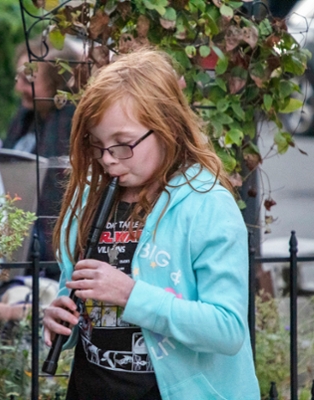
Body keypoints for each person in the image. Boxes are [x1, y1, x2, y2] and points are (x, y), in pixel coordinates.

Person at [42, 48, 260, 399]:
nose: (108, 160)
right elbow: (83, 305)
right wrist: (59, 323)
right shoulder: (88, 199)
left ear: (166, 127)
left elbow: (228, 328)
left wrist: (130, 294)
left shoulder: (207, 205)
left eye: (123, 145)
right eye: (97, 145)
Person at [5, 36, 82, 271]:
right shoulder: (26, 120)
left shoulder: (70, 130)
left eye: (28, 80)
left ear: (58, 85)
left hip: (49, 259)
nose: (18, 87)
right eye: (18, 77)